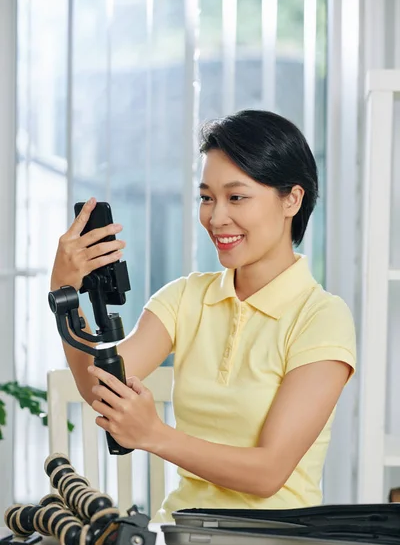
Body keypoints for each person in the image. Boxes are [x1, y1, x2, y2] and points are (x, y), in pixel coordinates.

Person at [50, 110, 356, 523]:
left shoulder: (321, 317)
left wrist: (156, 436)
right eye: (207, 197)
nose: (215, 218)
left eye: (236, 197)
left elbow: (269, 473)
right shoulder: (185, 298)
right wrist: (64, 291)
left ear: (292, 199)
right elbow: (102, 389)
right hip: (181, 538)